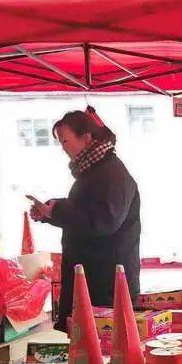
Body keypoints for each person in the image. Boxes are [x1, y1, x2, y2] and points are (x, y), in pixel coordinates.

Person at [29, 107, 141, 331]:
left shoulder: (111, 174)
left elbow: (103, 220)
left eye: (66, 141)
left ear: (86, 137)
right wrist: (50, 211)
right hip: (92, 277)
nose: (63, 148)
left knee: (101, 351)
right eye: (60, 142)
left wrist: (58, 211)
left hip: (106, 283)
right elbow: (85, 210)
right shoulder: (93, 171)